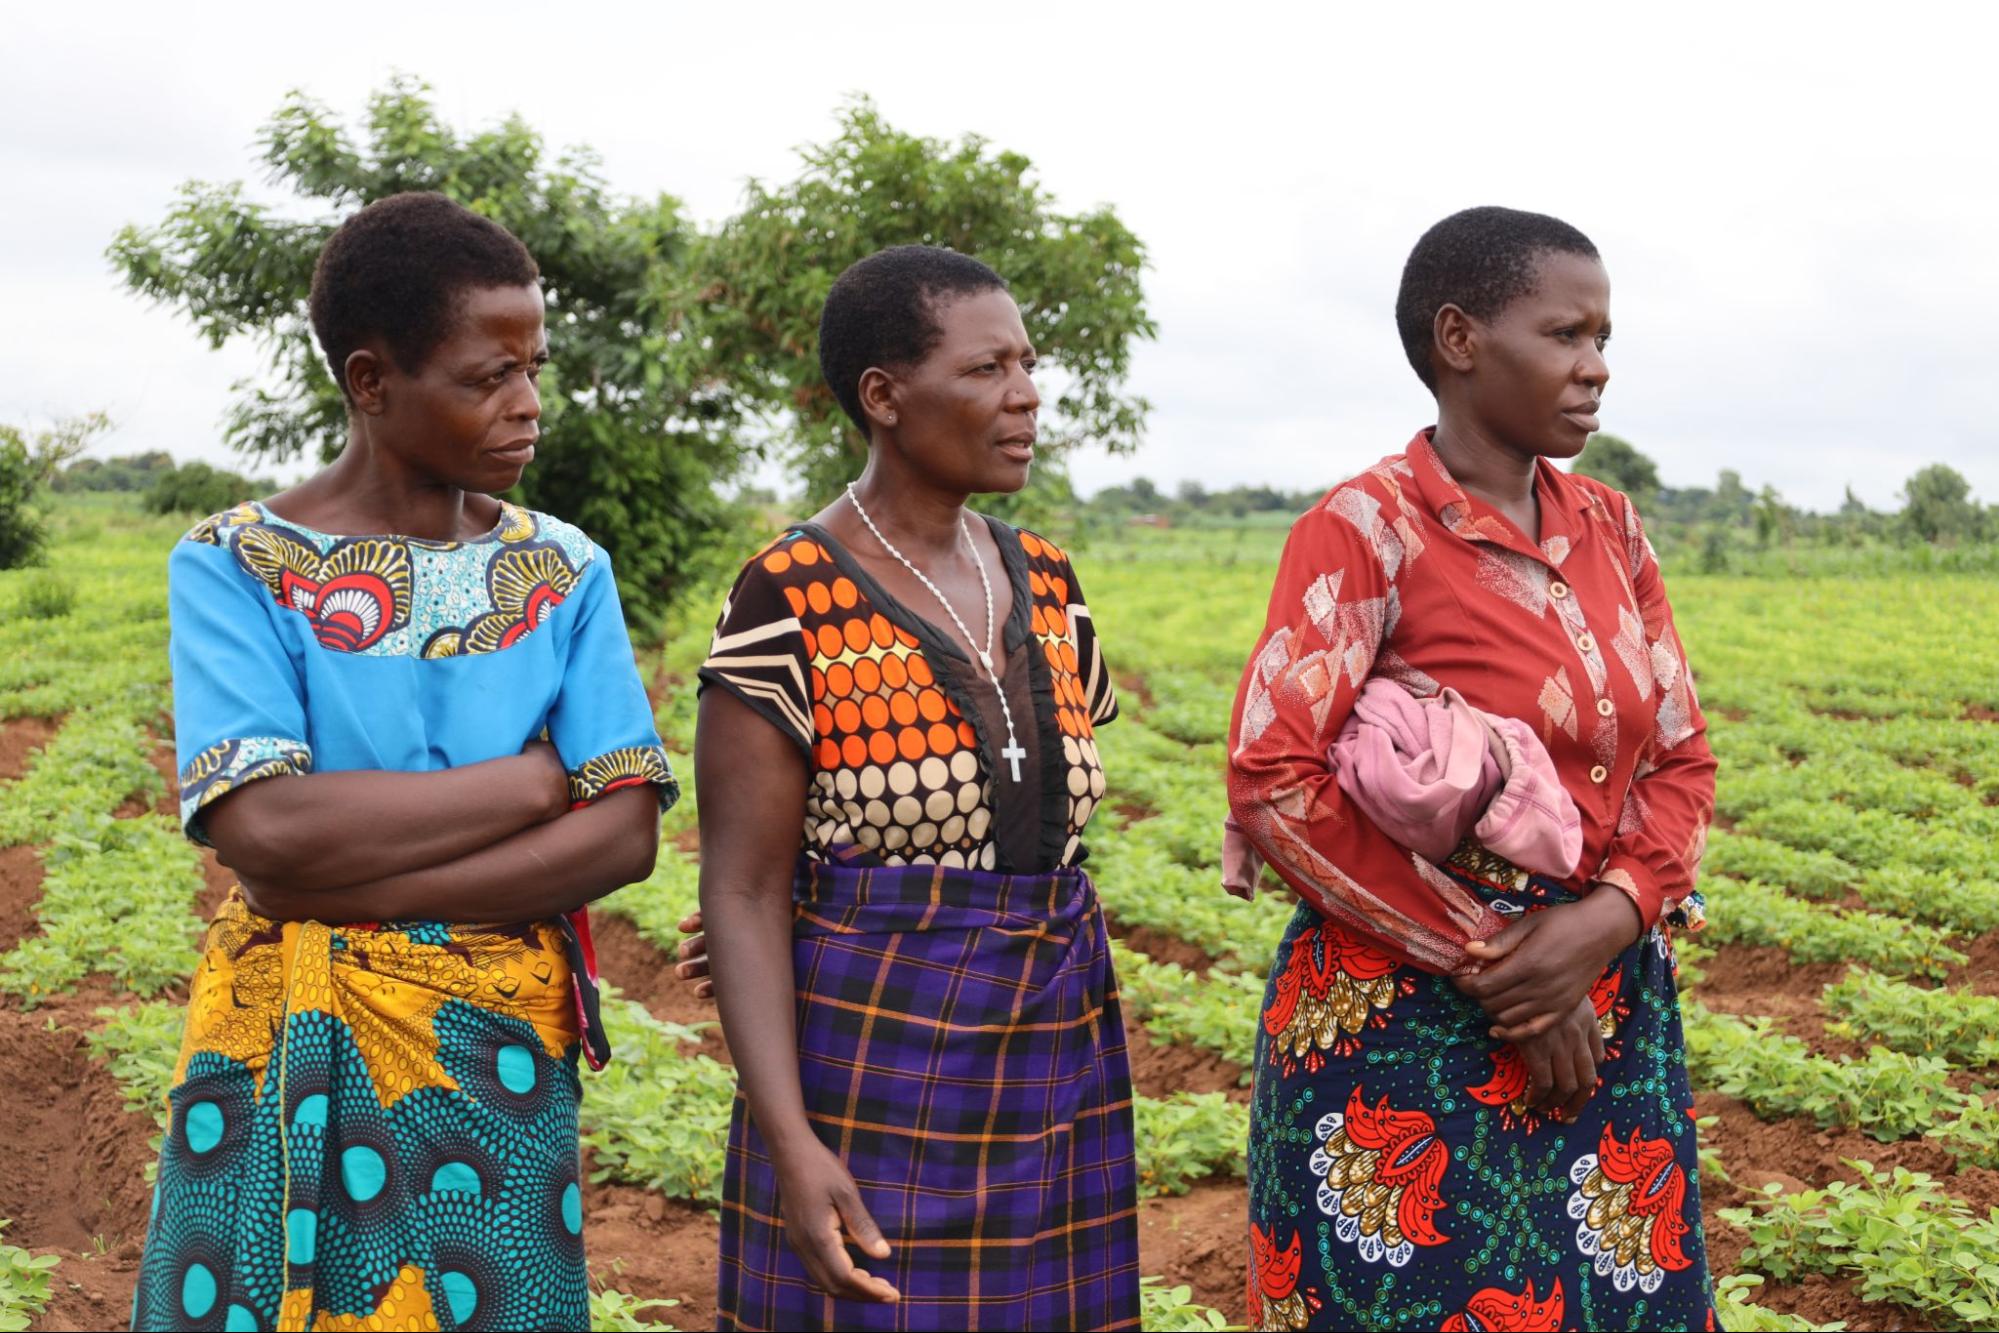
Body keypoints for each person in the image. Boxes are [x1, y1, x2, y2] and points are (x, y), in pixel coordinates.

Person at [132, 192, 673, 1332]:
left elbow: (624, 834)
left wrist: (349, 894)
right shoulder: (236, 563)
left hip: (494, 1054)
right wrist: (530, 786)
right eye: (487, 377)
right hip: (280, 1043)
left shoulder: (563, 571)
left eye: (533, 368)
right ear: (371, 381)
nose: (526, 406)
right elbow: (265, 833)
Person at [1229, 206, 1717, 1331]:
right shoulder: (1364, 530)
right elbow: (1273, 782)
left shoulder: (1614, 530)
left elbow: (1681, 759)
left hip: (1607, 1003)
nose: (1595, 369)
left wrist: (1602, 922)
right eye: (1565, 336)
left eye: (1603, 340)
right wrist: (1500, 961)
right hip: (1405, 1019)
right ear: (1459, 338)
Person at [686, 246, 1139, 1331]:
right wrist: (792, 1144)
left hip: (1052, 1054)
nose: (1026, 395)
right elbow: (742, 890)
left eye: (1028, 365)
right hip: (872, 1063)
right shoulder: (787, 596)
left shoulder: (1046, 578)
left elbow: (1041, 817)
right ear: (884, 397)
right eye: (987, 369)